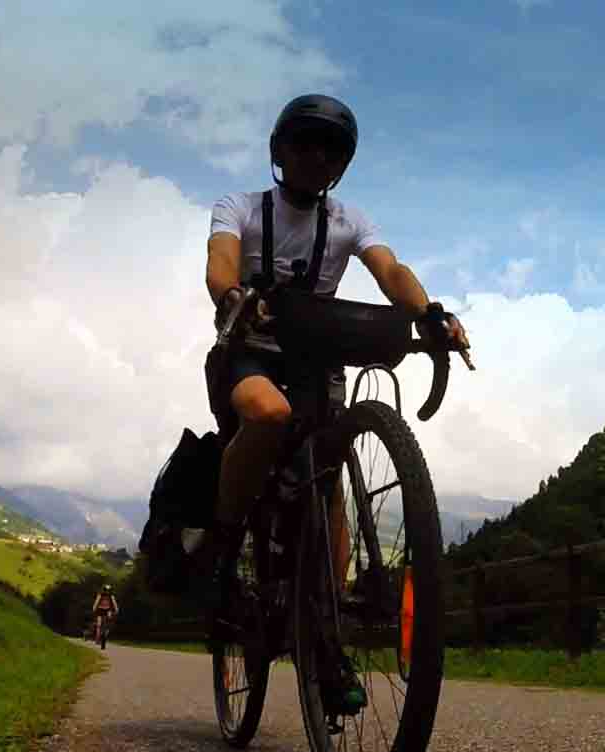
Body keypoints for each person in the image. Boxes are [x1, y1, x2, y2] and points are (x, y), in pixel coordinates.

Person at [198, 92, 471, 585]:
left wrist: (431, 315)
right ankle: (224, 532)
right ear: (279, 151)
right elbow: (220, 259)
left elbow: (390, 271)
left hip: (317, 362)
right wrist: (233, 296)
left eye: (332, 150)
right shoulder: (240, 207)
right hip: (252, 353)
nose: (318, 157)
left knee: (328, 478)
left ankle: (331, 618)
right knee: (269, 413)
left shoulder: (350, 221)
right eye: (305, 144)